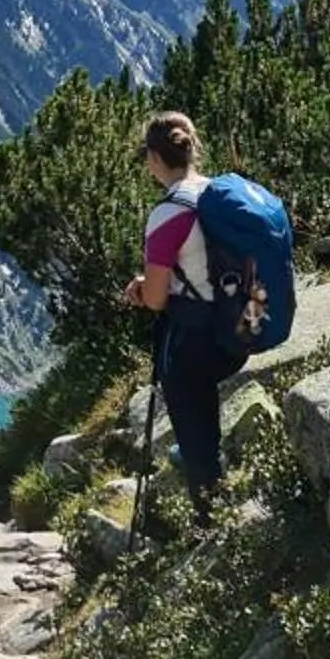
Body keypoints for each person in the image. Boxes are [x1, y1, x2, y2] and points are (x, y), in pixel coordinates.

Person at [120, 109, 241, 524]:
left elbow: (155, 299)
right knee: (204, 423)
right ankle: (214, 482)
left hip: (192, 337)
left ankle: (212, 524)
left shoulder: (167, 214)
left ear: (155, 158)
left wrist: (142, 290)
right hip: (237, 325)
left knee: (197, 435)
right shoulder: (221, 195)